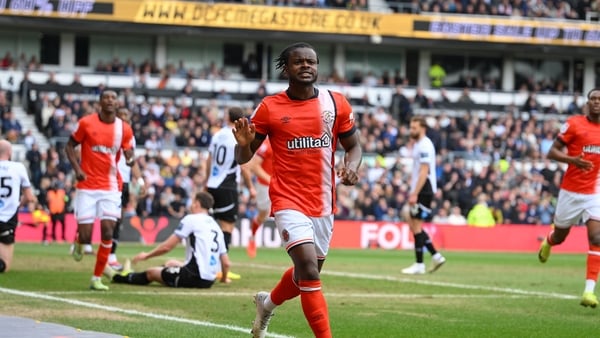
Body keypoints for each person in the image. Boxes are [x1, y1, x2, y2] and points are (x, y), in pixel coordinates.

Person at [233, 42, 362, 338]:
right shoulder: (270, 107)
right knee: (308, 269)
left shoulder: (336, 103)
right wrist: (242, 146)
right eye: (299, 62)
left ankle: (266, 304)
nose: (306, 66)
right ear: (286, 68)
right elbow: (245, 158)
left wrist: (353, 166)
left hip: (324, 201)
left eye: (311, 62)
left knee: (306, 273)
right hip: (287, 199)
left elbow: (354, 147)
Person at [65, 90, 135, 291]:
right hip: (87, 185)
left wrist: (131, 159)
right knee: (87, 236)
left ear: (117, 103)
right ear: (100, 102)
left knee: (107, 231)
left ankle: (96, 278)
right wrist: (77, 169)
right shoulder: (86, 123)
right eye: (106, 97)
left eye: (114, 98)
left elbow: (129, 153)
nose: (110, 101)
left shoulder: (124, 129)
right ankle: (79, 241)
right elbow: (69, 146)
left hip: (111, 186)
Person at [538, 87, 600, 308]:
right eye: (593, 99)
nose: (596, 102)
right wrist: (573, 160)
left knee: (597, 237)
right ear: (587, 102)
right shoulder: (574, 124)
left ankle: (589, 292)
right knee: (561, 236)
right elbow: (551, 152)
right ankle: (549, 240)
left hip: (595, 191)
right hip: (571, 191)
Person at [105, 192, 231, 288]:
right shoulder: (216, 226)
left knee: (151, 273)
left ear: (197, 204)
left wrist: (146, 256)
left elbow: (167, 247)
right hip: (209, 279)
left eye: (192, 202)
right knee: (171, 263)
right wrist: (224, 278)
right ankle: (154, 272)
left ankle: (118, 277)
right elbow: (226, 263)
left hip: (194, 276)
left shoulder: (191, 219)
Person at [204, 106, 255, 279]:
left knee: (213, 226)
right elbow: (243, 164)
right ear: (240, 120)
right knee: (226, 228)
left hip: (212, 184)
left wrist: (206, 182)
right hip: (227, 186)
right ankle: (220, 268)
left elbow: (209, 160)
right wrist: (251, 187)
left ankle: (210, 263)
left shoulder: (217, 135)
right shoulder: (236, 137)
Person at [401, 116, 446, 275]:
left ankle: (420, 263)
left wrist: (415, 193)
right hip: (422, 189)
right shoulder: (419, 145)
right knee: (413, 222)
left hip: (424, 190)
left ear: (423, 128)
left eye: (414, 128)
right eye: (411, 127)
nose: (411, 130)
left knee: (416, 225)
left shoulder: (425, 145)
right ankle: (435, 255)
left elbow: (424, 171)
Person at [109, 107, 145, 271]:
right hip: (109, 179)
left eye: (126, 115)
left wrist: (140, 181)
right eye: (121, 115)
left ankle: (111, 255)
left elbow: (132, 161)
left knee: (119, 218)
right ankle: (83, 237)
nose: (124, 118)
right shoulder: (110, 134)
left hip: (124, 182)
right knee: (109, 217)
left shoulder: (131, 138)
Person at [0, 139, 37, 273]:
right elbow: (29, 197)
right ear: (10, 153)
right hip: (8, 217)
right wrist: (17, 205)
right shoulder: (18, 167)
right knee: (4, 266)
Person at [246, 137, 273, 258]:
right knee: (263, 214)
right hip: (264, 186)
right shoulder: (266, 145)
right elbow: (254, 166)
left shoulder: (286, 142)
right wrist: (271, 180)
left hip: (280, 185)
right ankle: (252, 237)